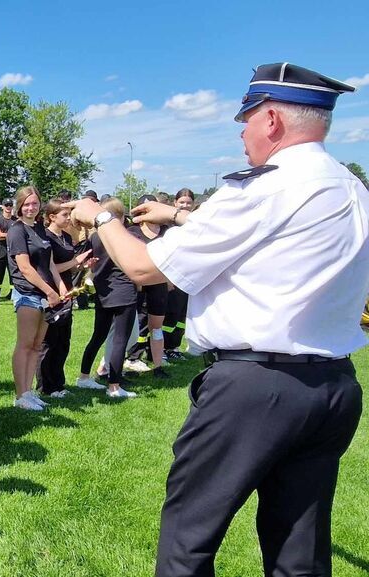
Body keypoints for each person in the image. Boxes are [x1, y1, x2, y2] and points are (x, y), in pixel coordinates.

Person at [68, 62, 367, 577]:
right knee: (300, 549)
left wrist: (100, 217)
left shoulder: (263, 186)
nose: (242, 131)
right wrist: (179, 216)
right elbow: (270, 240)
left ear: (271, 119)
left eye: (245, 118)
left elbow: (141, 266)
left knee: (190, 537)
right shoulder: (350, 188)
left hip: (256, 387)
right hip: (332, 384)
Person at [7, 186, 66, 411]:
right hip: (27, 294)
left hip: (45, 295)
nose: (31, 207)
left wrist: (59, 288)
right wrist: (49, 292)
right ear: (20, 206)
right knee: (25, 344)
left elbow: (49, 264)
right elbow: (25, 268)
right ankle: (20, 394)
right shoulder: (16, 230)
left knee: (36, 345)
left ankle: (29, 392)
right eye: (27, 204)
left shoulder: (40, 229)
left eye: (34, 203)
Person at [75, 197, 139, 398]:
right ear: (118, 217)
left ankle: (83, 377)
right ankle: (114, 386)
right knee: (120, 340)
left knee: (98, 336)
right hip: (124, 292)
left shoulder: (95, 238)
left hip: (103, 293)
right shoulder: (124, 237)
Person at [37, 200, 95, 398]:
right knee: (49, 342)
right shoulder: (46, 238)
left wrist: (83, 264)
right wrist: (74, 261)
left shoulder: (67, 237)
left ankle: (59, 384)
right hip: (52, 292)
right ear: (52, 217)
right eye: (64, 215)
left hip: (68, 291)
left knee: (63, 341)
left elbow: (69, 267)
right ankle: (46, 386)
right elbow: (49, 267)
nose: (69, 218)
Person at [124, 194, 171, 379]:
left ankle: (158, 366)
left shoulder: (166, 232)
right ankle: (127, 361)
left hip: (159, 286)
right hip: (137, 287)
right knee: (131, 327)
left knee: (156, 327)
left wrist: (169, 279)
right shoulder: (133, 232)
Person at [161, 187, 196, 360]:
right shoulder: (168, 227)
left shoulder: (195, 226)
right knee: (171, 313)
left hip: (189, 277)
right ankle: (164, 347)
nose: (185, 205)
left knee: (182, 314)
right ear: (175, 203)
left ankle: (174, 346)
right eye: (182, 202)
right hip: (172, 277)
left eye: (189, 202)